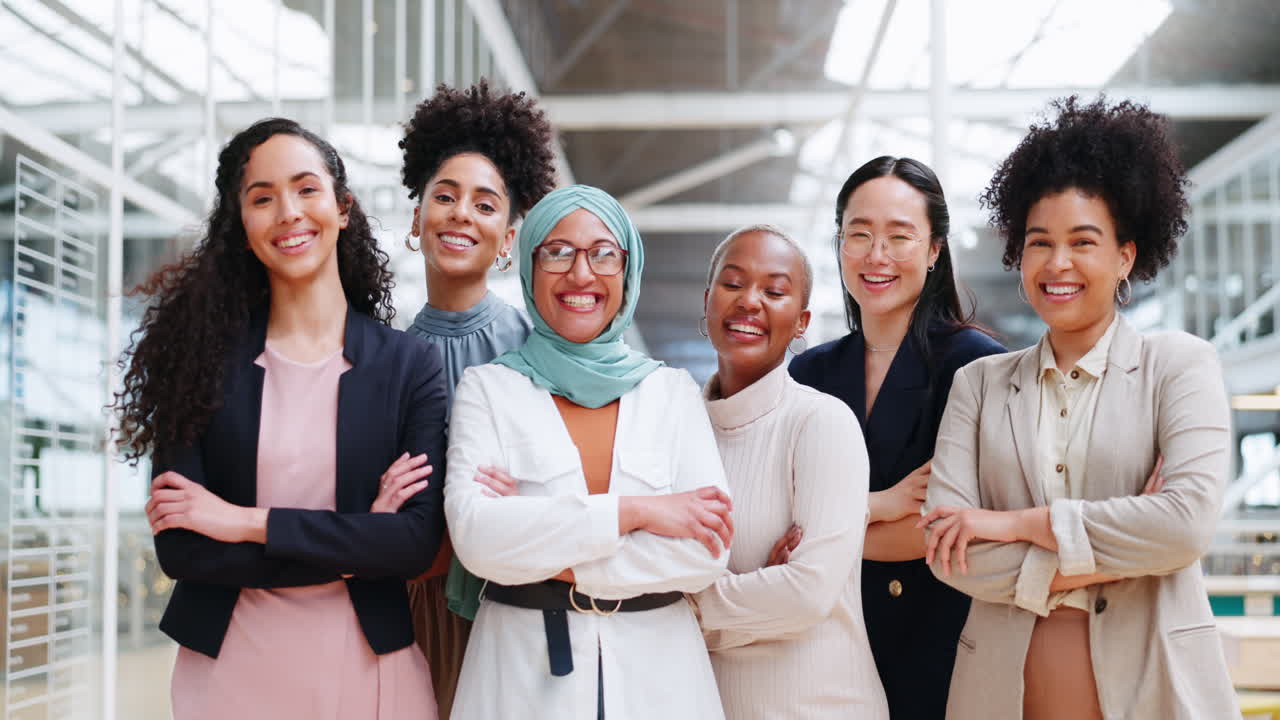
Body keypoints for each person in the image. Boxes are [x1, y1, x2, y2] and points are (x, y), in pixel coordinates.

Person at [920, 97, 1239, 719]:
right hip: (1002, 696)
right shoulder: (979, 385)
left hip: (1156, 689)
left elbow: (1184, 525)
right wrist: (1121, 555)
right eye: (1039, 242)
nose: (1057, 263)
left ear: (1125, 257)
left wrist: (1016, 524)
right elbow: (948, 548)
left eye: (1083, 242)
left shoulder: (1179, 366)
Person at [117, 118, 447, 719]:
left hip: (373, 674)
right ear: (243, 229)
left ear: (342, 208)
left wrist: (242, 522)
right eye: (262, 198)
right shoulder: (197, 366)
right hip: (229, 676)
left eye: (306, 189)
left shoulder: (408, 366)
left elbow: (412, 545)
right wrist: (356, 543)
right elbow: (184, 552)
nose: (289, 212)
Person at [444, 185, 732, 720]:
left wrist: (539, 544)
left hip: (660, 680)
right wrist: (637, 512)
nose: (581, 274)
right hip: (521, 677)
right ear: (530, 268)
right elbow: (478, 540)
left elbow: (707, 552)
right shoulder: (488, 388)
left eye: (603, 254)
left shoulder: (671, 392)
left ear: (628, 269)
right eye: (557, 252)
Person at [788, 156, 1005, 718]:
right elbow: (775, 519)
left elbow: (942, 531)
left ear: (935, 250)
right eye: (859, 234)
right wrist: (879, 507)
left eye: (899, 236)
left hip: (935, 656)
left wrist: (820, 533)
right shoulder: (807, 373)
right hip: (822, 654)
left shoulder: (977, 367)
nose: (876, 255)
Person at [396, 80, 557, 717]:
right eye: (445, 196)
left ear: (509, 238)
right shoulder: (386, 360)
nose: (462, 213)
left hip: (525, 600)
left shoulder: (536, 348)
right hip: (419, 606)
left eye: (485, 204)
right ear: (416, 219)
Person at [694, 225, 889, 719]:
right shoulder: (676, 429)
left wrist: (683, 607)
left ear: (802, 322)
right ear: (707, 301)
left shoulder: (821, 422)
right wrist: (760, 591)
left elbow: (805, 594)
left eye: (774, 291)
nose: (749, 301)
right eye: (733, 284)